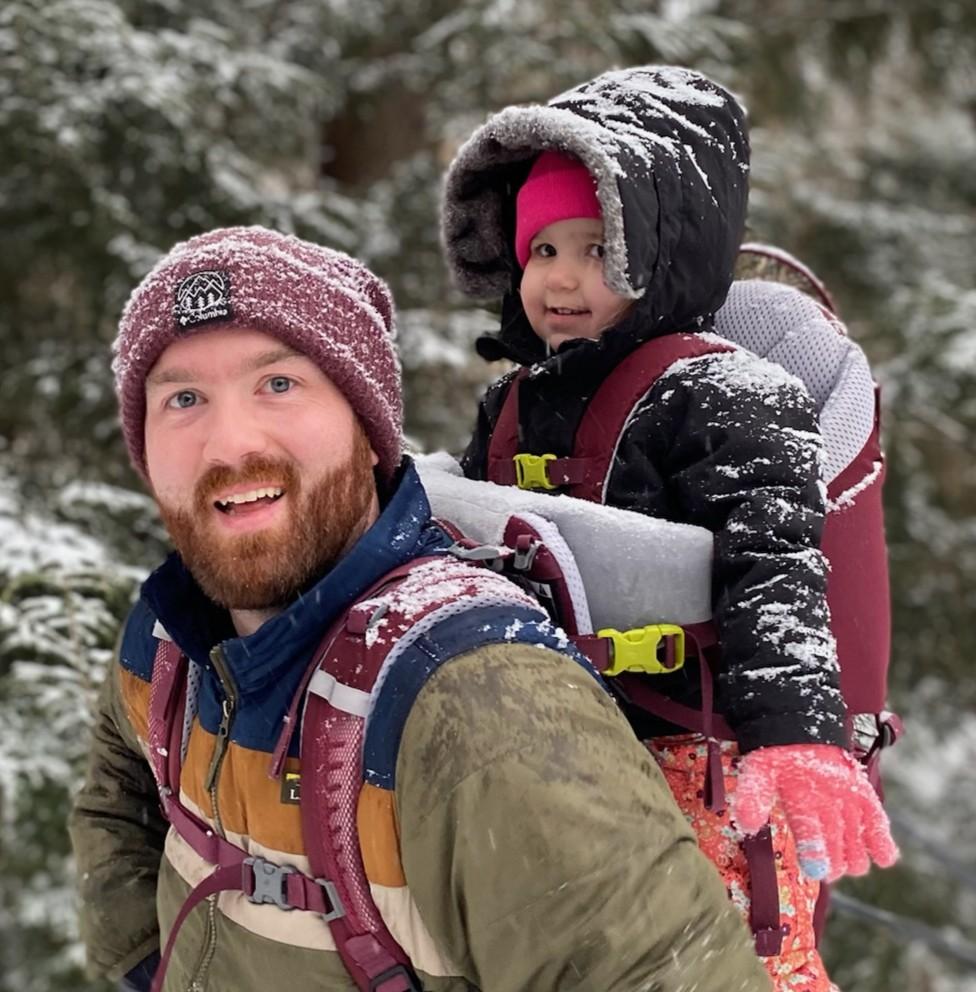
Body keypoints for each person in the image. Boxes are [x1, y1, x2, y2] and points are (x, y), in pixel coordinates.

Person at [69, 225, 772, 992]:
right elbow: (118, 800)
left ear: (370, 430)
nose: (229, 444)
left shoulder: (482, 707)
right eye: (183, 398)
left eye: (279, 384)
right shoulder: (173, 631)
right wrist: (146, 967)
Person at [441, 66, 898, 991]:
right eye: (542, 253)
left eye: (597, 252)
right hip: (544, 753)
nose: (563, 280)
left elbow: (774, 573)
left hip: (705, 769)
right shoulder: (510, 403)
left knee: (723, 963)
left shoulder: (728, 394)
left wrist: (797, 738)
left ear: (661, 254)